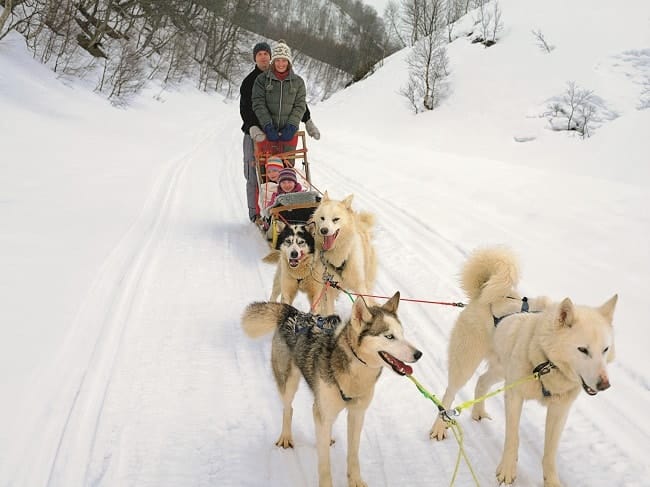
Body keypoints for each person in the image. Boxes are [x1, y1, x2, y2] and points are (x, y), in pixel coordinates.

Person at [239, 42, 319, 223]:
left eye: (266, 54)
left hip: (283, 134)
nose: (263, 57)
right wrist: (255, 126)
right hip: (257, 134)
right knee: (257, 174)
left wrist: (306, 121)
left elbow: (297, 103)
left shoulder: (292, 80)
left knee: (284, 172)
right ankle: (257, 213)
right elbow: (249, 106)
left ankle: (288, 211)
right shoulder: (254, 80)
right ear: (255, 58)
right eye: (259, 54)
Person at [252, 40, 307, 149]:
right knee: (269, 164)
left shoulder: (298, 82)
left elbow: (300, 105)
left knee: (288, 164)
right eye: (277, 60)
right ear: (273, 61)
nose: (281, 64)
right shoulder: (262, 79)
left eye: (284, 60)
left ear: (289, 62)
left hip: (289, 134)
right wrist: (267, 125)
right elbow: (258, 103)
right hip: (267, 132)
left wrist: (292, 125)